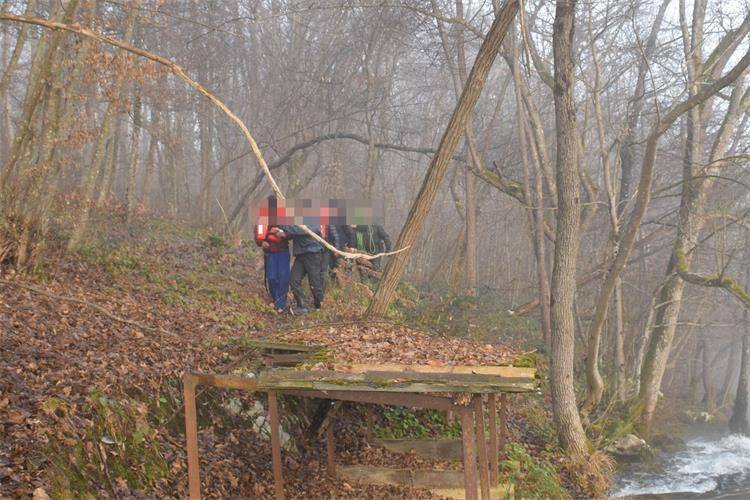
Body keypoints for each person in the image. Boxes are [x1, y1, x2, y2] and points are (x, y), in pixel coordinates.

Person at [280, 224, 328, 313]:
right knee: (293, 280)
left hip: (313, 253)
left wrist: (282, 226)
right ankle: (302, 306)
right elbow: (295, 231)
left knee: (315, 282)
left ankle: (320, 307)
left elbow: (301, 230)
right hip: (301, 254)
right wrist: (284, 233)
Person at [254, 200, 290, 313]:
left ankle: (281, 303)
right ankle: (276, 299)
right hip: (270, 253)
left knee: (284, 277)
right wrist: (261, 243)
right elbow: (257, 234)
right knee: (272, 278)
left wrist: (286, 234)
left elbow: (292, 232)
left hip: (283, 251)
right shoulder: (263, 219)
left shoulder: (284, 218)